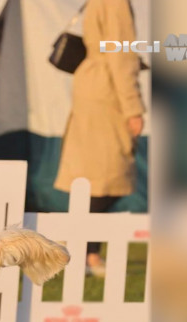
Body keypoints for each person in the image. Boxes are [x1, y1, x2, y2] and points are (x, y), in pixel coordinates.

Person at [53, 0, 145, 277]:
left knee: (94, 178)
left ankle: (86, 251)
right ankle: (85, 252)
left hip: (93, 86)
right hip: (107, 92)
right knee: (104, 178)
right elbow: (121, 54)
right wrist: (133, 108)